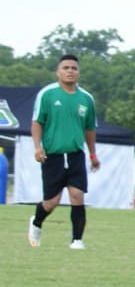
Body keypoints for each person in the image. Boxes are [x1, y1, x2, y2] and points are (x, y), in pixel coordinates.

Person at [27, 54, 100, 249]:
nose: (70, 71)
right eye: (66, 67)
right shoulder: (47, 94)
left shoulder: (86, 99)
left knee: (77, 195)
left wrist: (93, 154)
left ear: (79, 72)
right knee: (52, 202)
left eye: (74, 68)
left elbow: (90, 129)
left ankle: (77, 240)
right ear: (58, 71)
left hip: (76, 154)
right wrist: (37, 147)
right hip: (53, 155)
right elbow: (37, 122)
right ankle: (36, 222)